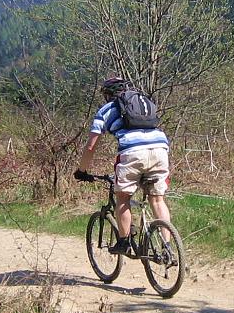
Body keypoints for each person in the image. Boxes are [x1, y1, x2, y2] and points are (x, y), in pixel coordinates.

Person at [74, 77, 174, 259]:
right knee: (158, 200)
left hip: (132, 151)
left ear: (107, 95)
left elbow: (90, 146)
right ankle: (167, 248)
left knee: (123, 197)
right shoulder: (143, 102)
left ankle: (124, 242)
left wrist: (82, 170)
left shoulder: (106, 110)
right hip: (160, 147)